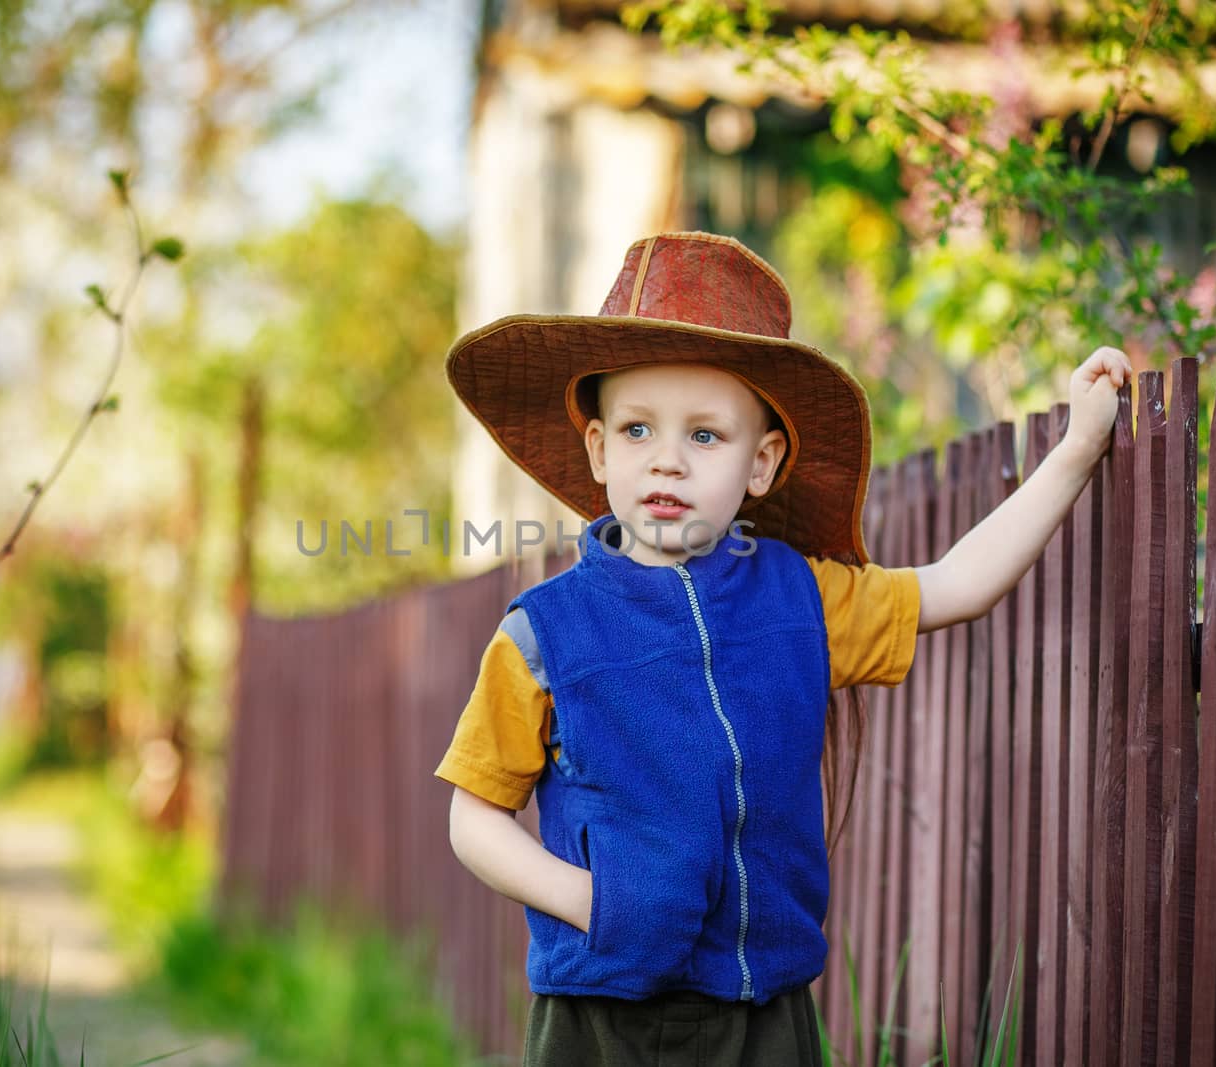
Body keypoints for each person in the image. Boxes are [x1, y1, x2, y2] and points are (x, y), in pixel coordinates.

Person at [435, 231, 1131, 1065]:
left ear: (761, 462)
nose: (666, 458)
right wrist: (595, 901)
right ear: (597, 448)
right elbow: (473, 815)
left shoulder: (802, 599)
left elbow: (957, 584)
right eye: (637, 429)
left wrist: (1079, 447)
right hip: (596, 1011)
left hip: (763, 1014)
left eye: (704, 436)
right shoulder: (544, 631)